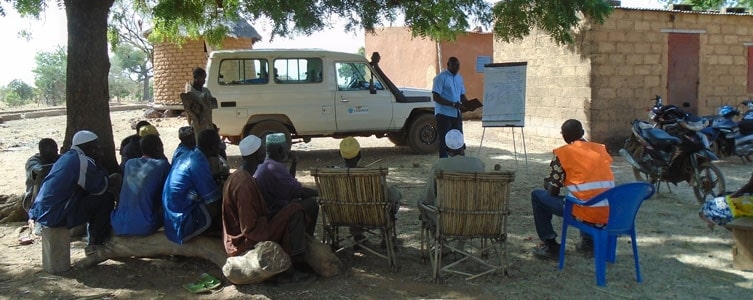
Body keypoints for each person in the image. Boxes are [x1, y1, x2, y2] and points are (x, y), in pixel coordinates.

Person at [222, 135, 315, 283]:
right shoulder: (244, 184)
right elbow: (248, 228)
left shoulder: (241, 175)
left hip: (256, 225)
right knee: (295, 211)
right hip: (246, 237)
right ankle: (296, 266)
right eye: (262, 149)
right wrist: (273, 217)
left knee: (289, 209)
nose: (265, 152)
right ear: (256, 154)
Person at [530, 119, 615, 260]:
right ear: (582, 132)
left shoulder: (564, 154)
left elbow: (553, 191)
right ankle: (589, 243)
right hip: (607, 210)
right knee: (584, 196)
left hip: (585, 211)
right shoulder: (601, 150)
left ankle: (550, 244)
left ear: (563, 136)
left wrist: (548, 183)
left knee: (537, 196)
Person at [28, 130, 116, 254]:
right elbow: (100, 188)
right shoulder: (81, 161)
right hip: (56, 215)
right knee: (106, 199)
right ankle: (96, 243)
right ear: (88, 147)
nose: (98, 149)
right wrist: (100, 163)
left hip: (42, 211)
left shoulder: (66, 157)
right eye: (96, 146)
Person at [337, 137, 402, 247]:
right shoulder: (372, 176)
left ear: (340, 154)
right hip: (373, 215)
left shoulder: (334, 177)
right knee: (391, 203)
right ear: (359, 155)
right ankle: (386, 237)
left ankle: (358, 236)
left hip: (346, 215)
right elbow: (394, 196)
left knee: (353, 206)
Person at [162, 129, 222, 244]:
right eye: (218, 145)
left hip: (172, 218)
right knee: (220, 201)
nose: (220, 148)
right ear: (211, 147)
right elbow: (213, 199)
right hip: (182, 223)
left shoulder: (191, 155)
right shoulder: (198, 163)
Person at [254, 133, 319, 238]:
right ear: (280, 150)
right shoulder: (276, 168)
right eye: (286, 148)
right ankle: (305, 239)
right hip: (275, 212)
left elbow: (289, 182)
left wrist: (294, 163)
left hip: (267, 211)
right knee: (312, 203)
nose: (287, 151)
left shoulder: (264, 165)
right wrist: (319, 192)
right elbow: (298, 191)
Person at [419, 129, 485, 226]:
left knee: (421, 202)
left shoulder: (440, 165)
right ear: (464, 146)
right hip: (475, 218)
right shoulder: (478, 164)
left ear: (446, 149)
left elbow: (429, 196)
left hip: (446, 219)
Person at [111, 134, 171, 236]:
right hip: (145, 226)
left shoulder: (129, 163)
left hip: (118, 224)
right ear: (158, 148)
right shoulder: (162, 165)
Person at [432, 57, 470, 158]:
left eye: (458, 65)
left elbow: (462, 95)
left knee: (458, 139)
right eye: (454, 65)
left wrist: (469, 105)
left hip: (456, 113)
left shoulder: (459, 78)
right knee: (445, 140)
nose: (457, 67)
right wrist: (452, 104)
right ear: (448, 65)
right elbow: (436, 96)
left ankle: (459, 161)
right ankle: (444, 163)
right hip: (443, 114)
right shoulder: (441, 78)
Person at [23, 138, 60, 212]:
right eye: (54, 150)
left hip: (53, 196)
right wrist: (61, 165)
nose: (57, 151)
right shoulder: (33, 162)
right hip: (33, 200)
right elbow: (38, 171)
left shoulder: (59, 158)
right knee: (40, 178)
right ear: (43, 152)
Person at [182, 67, 216, 141]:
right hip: (197, 125)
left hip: (208, 123)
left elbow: (213, 103)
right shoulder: (189, 93)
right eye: (202, 78)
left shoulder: (206, 91)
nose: (204, 81)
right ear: (195, 77)